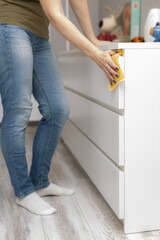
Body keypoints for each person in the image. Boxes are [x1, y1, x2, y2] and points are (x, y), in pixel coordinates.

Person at [0, 0, 119, 216]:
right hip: (11, 26)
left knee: (58, 109)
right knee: (18, 111)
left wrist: (91, 37)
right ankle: (24, 191)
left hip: (38, 33)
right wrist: (94, 53)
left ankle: (40, 182)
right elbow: (55, 15)